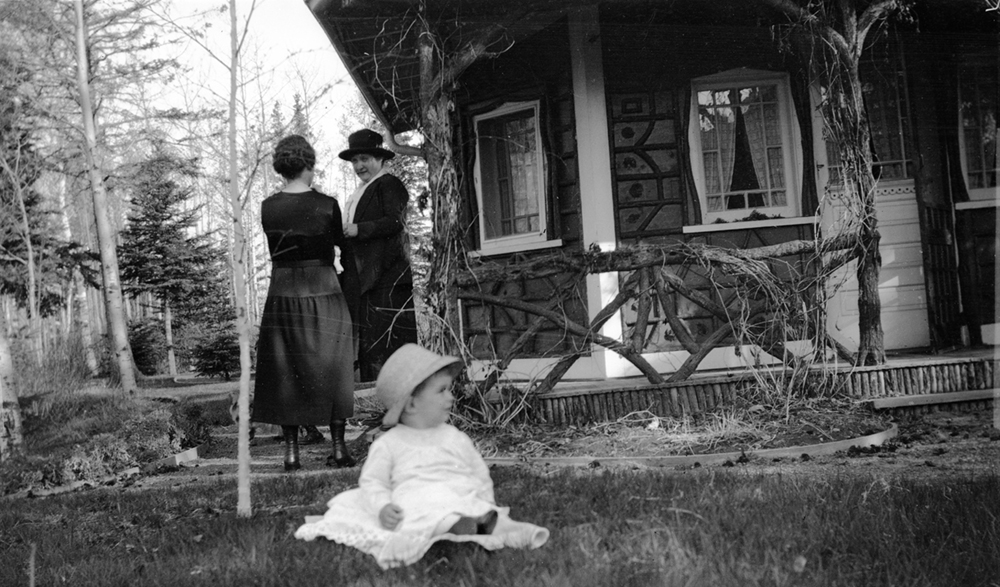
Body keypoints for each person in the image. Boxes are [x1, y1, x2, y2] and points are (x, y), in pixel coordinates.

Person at [294, 344, 549, 569]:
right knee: (424, 503)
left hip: (455, 493)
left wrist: (485, 500)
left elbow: (477, 472)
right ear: (412, 404)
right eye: (441, 391)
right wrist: (383, 506)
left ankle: (483, 521)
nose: (450, 397)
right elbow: (374, 482)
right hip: (415, 499)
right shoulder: (390, 444)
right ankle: (459, 526)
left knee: (463, 499)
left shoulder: (454, 437)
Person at [252, 134, 357, 471]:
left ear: (282, 167)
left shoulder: (269, 207)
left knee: (286, 369)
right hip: (324, 288)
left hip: (283, 291)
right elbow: (342, 248)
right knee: (333, 366)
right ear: (309, 165)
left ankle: (291, 453)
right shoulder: (327, 205)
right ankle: (339, 448)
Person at [337, 129, 418, 382]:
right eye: (354, 161)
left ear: (380, 159)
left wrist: (359, 229)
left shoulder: (388, 184)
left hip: (389, 279)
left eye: (364, 159)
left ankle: (398, 405)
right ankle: (380, 406)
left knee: (389, 345)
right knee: (371, 345)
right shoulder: (361, 191)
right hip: (366, 280)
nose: (359, 166)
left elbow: (396, 222)